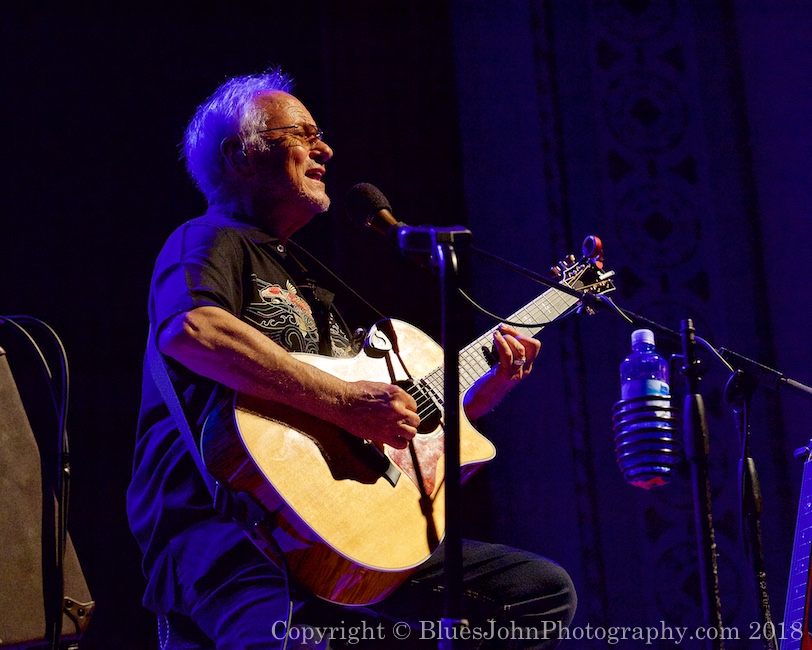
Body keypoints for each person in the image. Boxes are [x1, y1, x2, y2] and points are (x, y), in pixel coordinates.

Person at [126, 69, 576, 650]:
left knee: (538, 592)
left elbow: (385, 429)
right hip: (238, 535)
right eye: (303, 133)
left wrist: (471, 401)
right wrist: (342, 400)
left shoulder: (322, 288)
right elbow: (193, 329)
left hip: (344, 538)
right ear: (242, 155)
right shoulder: (209, 240)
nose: (326, 149)